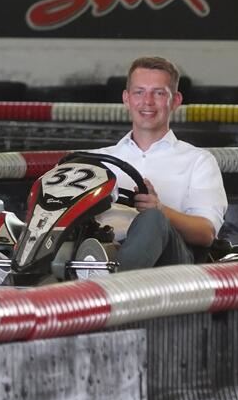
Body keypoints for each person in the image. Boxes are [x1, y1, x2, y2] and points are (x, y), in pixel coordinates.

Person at [89, 56, 227, 271]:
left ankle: (112, 286)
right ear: (126, 98)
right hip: (101, 251)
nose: (147, 101)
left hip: (171, 266)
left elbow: (206, 233)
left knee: (153, 218)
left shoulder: (199, 161)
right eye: (139, 92)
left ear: (175, 101)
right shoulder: (96, 160)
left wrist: (161, 209)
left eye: (159, 93)